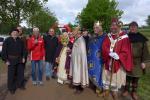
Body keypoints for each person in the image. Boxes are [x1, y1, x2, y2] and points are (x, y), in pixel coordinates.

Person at [102, 18, 133, 100]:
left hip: (117, 63)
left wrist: (119, 55)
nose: (113, 27)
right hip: (108, 61)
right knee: (107, 78)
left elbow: (126, 50)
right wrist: (109, 52)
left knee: (115, 81)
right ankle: (106, 91)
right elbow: (104, 47)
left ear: (119, 26)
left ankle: (114, 92)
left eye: (115, 25)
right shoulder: (108, 36)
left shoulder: (124, 37)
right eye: (112, 25)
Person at [122, 21, 150, 100]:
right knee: (127, 77)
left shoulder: (142, 38)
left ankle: (134, 92)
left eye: (134, 27)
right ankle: (126, 90)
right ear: (129, 28)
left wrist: (144, 62)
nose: (133, 28)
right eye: (131, 27)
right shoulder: (125, 37)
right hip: (127, 61)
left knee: (136, 78)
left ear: (137, 28)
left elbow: (145, 52)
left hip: (137, 62)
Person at [2, 29, 26, 94]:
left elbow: (24, 50)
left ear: (18, 34)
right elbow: (4, 52)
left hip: (19, 60)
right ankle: (11, 88)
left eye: (16, 32)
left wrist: (23, 57)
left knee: (20, 74)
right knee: (11, 75)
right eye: (13, 32)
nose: (15, 33)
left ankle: (20, 85)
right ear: (11, 33)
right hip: (11, 60)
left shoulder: (20, 41)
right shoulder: (7, 40)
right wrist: (6, 60)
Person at [87, 21, 106, 96]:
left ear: (101, 28)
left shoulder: (105, 37)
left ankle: (99, 87)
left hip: (100, 59)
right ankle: (94, 84)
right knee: (93, 71)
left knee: (99, 73)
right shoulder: (92, 37)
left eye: (97, 27)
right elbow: (89, 47)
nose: (95, 29)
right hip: (92, 58)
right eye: (94, 27)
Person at [69, 26, 89, 94]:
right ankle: (76, 85)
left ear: (77, 32)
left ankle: (80, 88)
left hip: (79, 61)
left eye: (74, 31)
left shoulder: (81, 40)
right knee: (76, 73)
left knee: (80, 73)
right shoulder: (76, 38)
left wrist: (81, 61)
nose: (72, 32)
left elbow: (83, 52)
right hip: (75, 59)